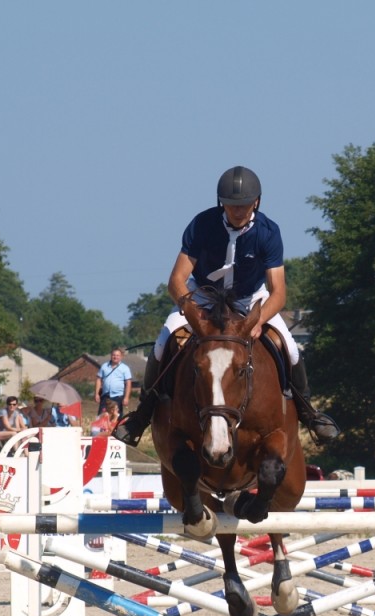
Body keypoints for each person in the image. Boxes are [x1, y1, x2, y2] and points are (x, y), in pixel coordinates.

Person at [114, 166, 339, 446]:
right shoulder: (202, 225)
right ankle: (141, 415)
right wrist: (192, 311)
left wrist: (258, 321)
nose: (238, 210)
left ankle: (309, 414)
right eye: (231, 204)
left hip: (249, 298)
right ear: (221, 203)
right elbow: (176, 280)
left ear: (256, 202)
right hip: (203, 296)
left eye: (244, 204)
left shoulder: (268, 232)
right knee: (163, 342)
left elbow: (279, 292)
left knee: (290, 348)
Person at [95, 348, 132, 414]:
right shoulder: (104, 366)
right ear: (111, 356)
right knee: (102, 416)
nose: (115, 357)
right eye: (114, 355)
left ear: (121, 357)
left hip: (118, 397)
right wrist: (97, 394)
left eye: (117, 355)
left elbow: (128, 383)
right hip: (105, 396)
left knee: (116, 416)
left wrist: (126, 397)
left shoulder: (125, 368)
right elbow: (99, 379)